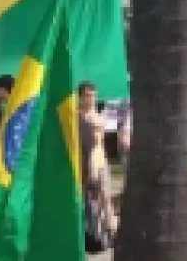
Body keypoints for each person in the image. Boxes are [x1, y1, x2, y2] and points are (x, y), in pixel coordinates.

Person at [78, 81, 116, 249]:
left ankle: (112, 231)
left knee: (106, 199)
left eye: (93, 96)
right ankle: (93, 234)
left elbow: (100, 125)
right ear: (81, 97)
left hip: (100, 162)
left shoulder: (98, 116)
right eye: (87, 96)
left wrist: (86, 119)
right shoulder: (76, 115)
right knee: (88, 201)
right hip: (83, 164)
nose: (91, 99)